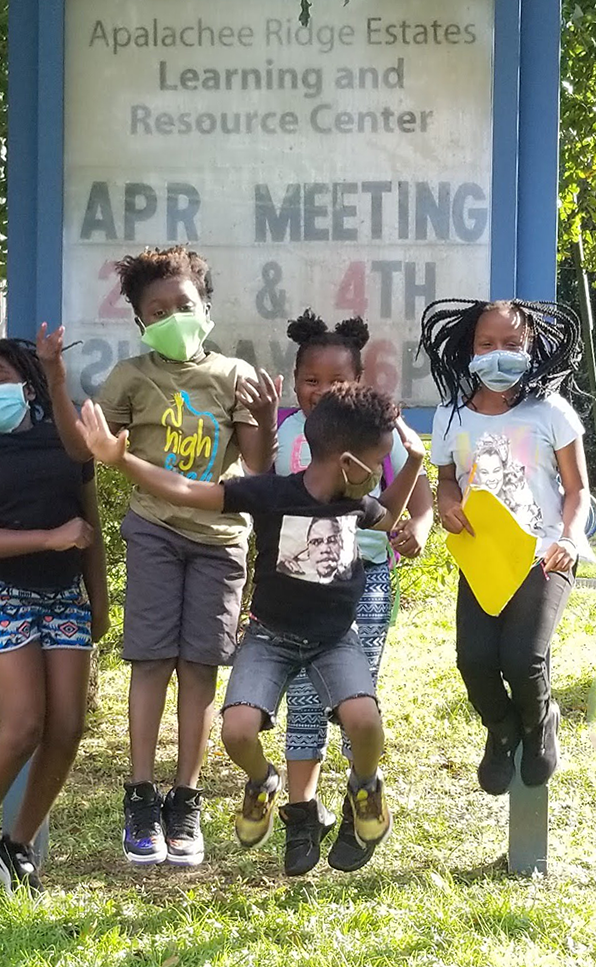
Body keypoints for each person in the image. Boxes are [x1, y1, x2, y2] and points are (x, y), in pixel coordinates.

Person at [74, 381, 426, 873]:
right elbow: (188, 490)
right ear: (348, 463)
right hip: (269, 638)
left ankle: (365, 786)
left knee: (365, 719)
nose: (377, 474)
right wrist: (121, 461)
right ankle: (262, 781)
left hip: (334, 640)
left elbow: (387, 516)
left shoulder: (354, 500)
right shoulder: (272, 493)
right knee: (237, 731)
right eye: (379, 461)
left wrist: (412, 462)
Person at [93, 245, 279, 868]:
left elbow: (256, 468)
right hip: (152, 532)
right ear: (141, 321)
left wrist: (267, 416)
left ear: (207, 307)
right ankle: (140, 795)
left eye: (185, 304)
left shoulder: (235, 375)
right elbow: (96, 446)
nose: (175, 315)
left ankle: (186, 797)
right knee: (150, 662)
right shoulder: (129, 376)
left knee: (200, 668)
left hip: (222, 541)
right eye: (159, 309)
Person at [0, 330, 107, 907]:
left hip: (65, 598)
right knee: (25, 723)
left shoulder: (68, 444)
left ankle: (18, 844)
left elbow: (90, 527)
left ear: (27, 383)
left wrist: (98, 599)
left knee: (68, 727)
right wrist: (49, 539)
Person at [268, 310, 433, 874]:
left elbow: (418, 499)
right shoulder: (286, 432)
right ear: (295, 382)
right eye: (311, 380)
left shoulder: (374, 433)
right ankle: (300, 812)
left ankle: (361, 796)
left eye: (337, 381)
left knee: (354, 695)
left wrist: (418, 528)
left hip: (363, 579)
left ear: (359, 382)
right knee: (304, 697)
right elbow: (259, 491)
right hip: (298, 583)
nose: (322, 391)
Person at [422, 299, 593, 796]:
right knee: (473, 661)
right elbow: (446, 480)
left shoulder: (553, 412)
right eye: (487, 344)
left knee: (522, 660)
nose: (499, 354)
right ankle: (500, 731)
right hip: (483, 557)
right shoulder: (450, 415)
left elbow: (578, 490)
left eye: (513, 345)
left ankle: (540, 722)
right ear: (468, 348)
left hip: (545, 554)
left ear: (532, 348)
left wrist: (567, 538)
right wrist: (448, 501)